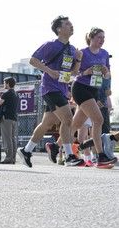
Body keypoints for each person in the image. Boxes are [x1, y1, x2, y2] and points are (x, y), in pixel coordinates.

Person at [18, 16, 83, 168]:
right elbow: (33, 60)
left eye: (71, 23)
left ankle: (26, 150)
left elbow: (73, 73)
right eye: (67, 24)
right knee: (68, 119)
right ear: (59, 29)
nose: (71, 25)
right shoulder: (50, 45)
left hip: (61, 89)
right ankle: (69, 156)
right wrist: (49, 71)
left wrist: (78, 59)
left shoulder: (73, 50)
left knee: (46, 123)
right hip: (49, 87)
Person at [67, 28, 113, 168]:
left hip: (94, 89)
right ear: (91, 38)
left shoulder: (105, 53)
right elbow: (73, 73)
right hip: (80, 88)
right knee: (98, 119)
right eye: (99, 37)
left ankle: (56, 147)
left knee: (76, 124)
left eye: (103, 38)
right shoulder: (83, 52)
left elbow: (107, 75)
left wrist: (106, 73)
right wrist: (86, 71)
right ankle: (100, 156)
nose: (102, 40)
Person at [0, 77, 19, 164]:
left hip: (6, 118)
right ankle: (13, 158)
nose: (3, 84)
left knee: (7, 138)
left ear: (8, 84)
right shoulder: (15, 94)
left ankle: (8, 158)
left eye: (4, 83)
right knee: (12, 138)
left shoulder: (6, 93)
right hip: (13, 118)